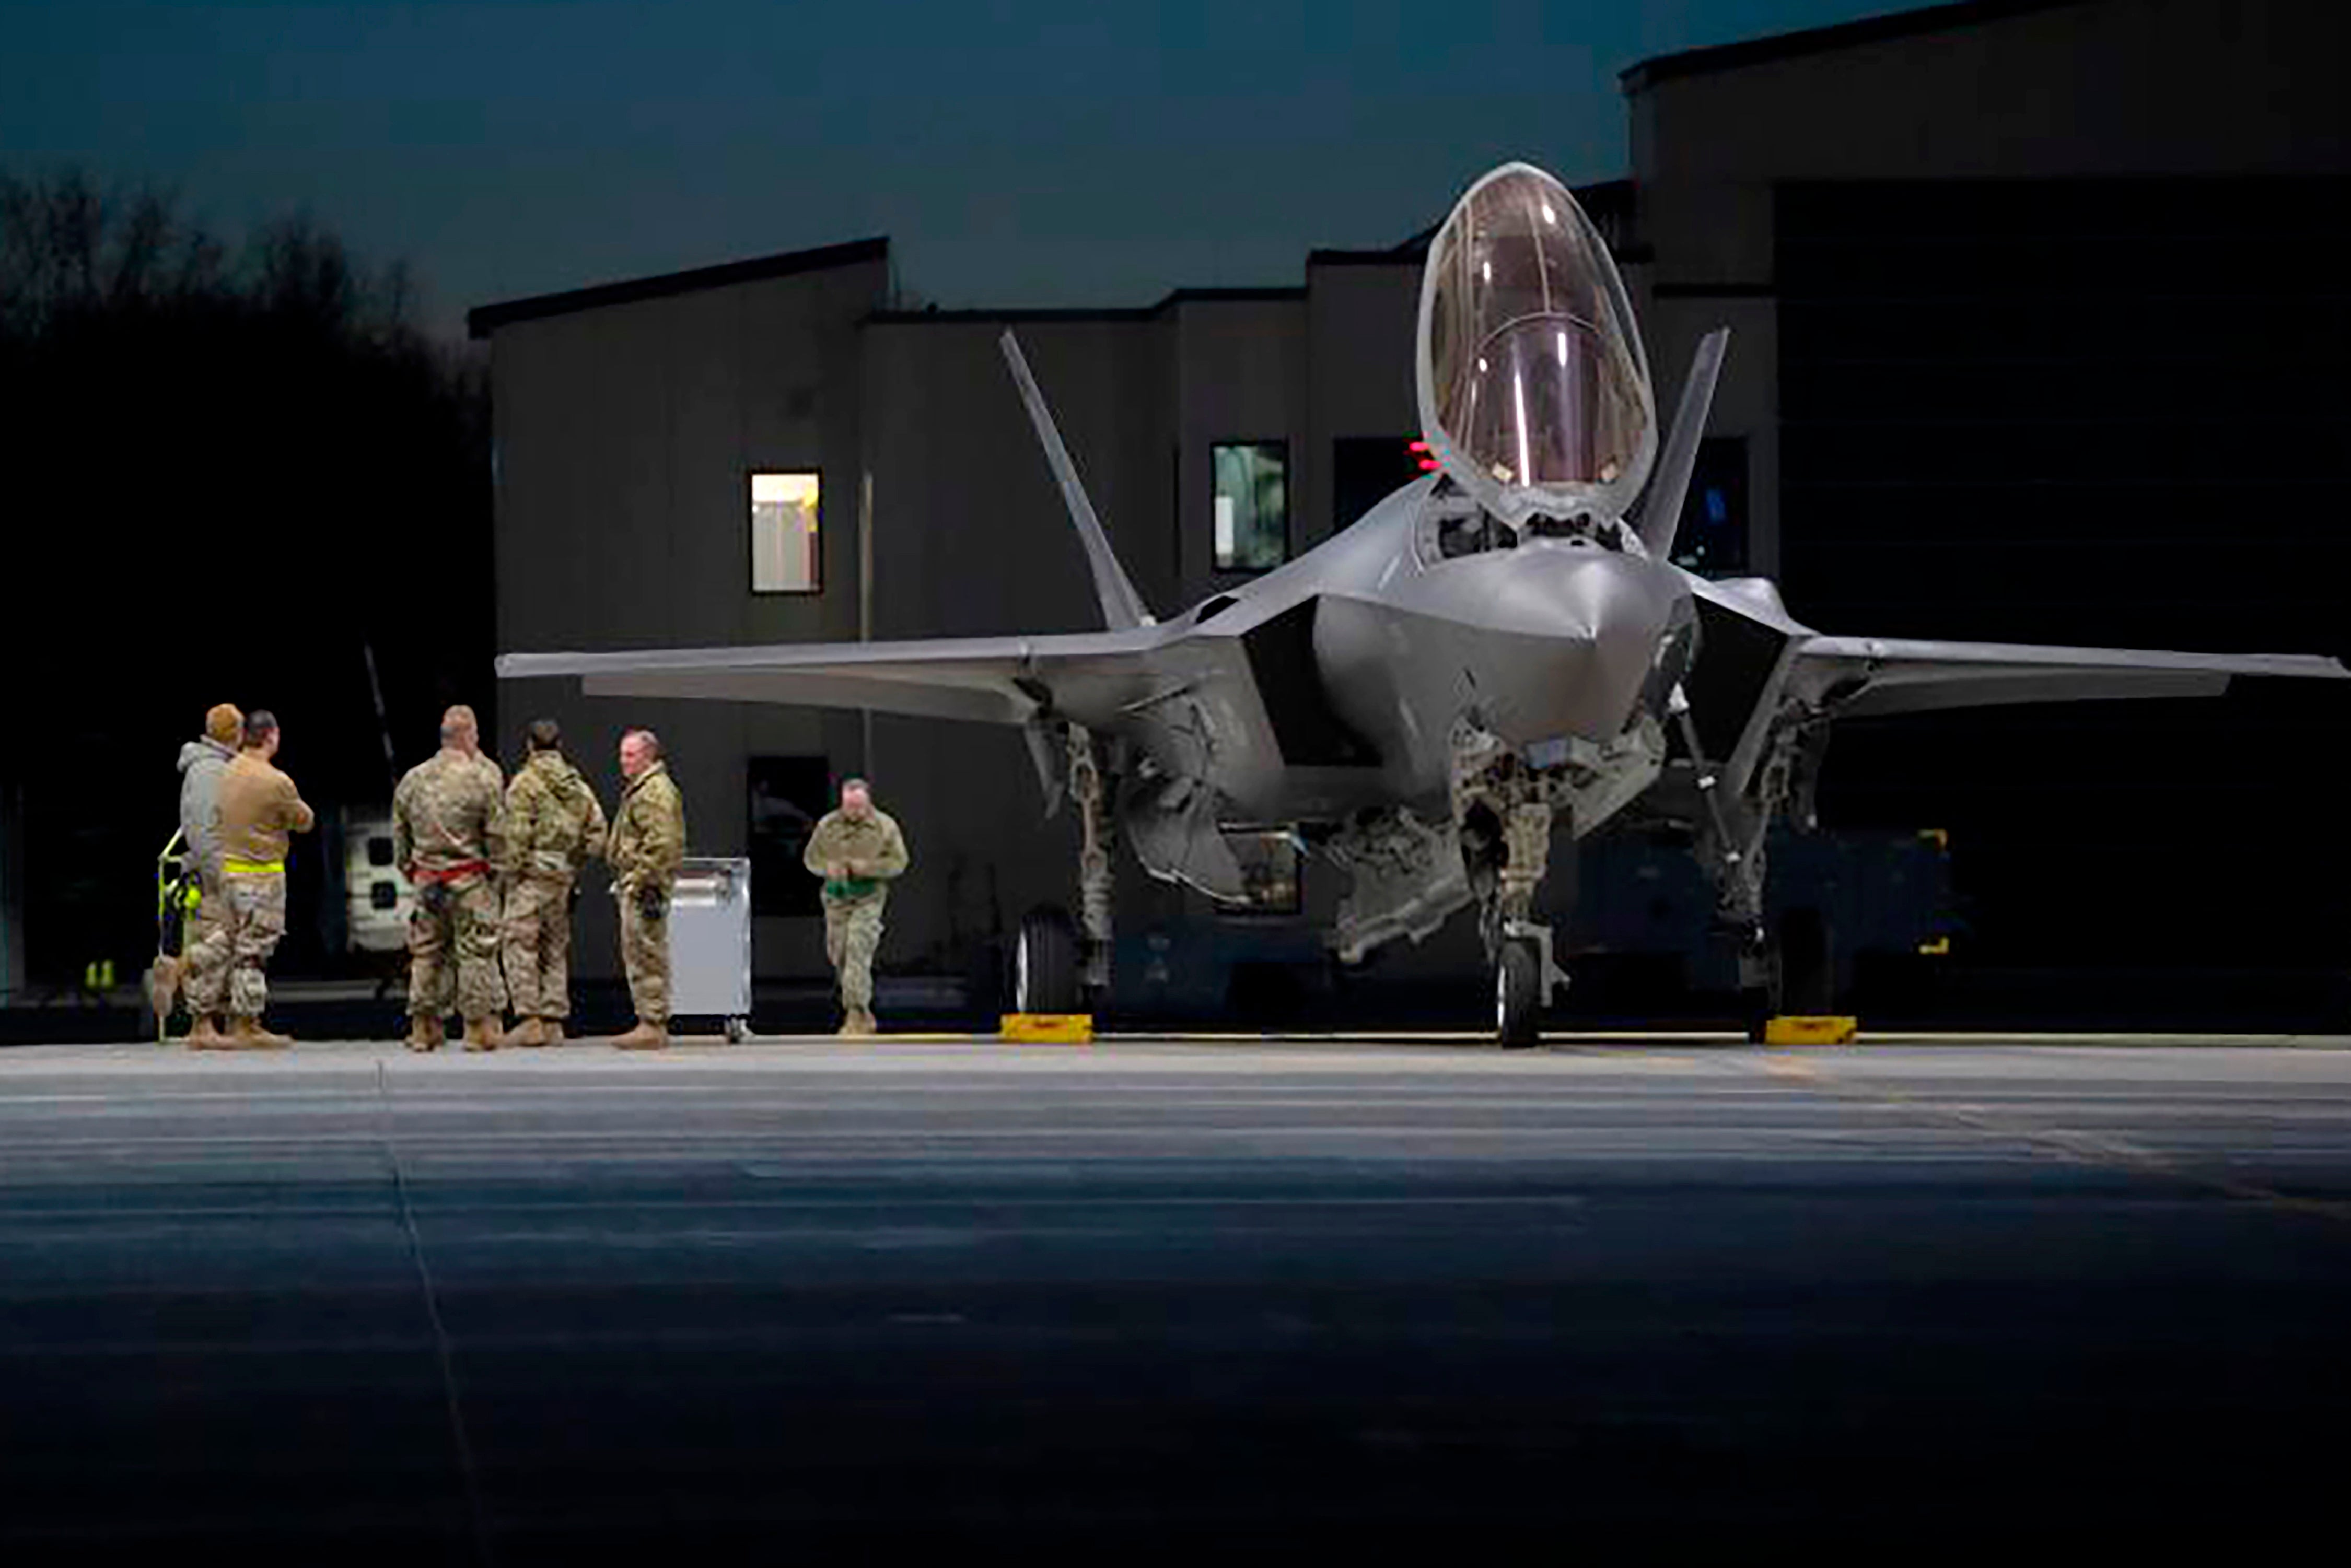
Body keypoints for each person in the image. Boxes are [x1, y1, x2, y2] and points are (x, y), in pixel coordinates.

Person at [185, 710, 313, 1048]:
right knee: (252, 952)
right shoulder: (275, 780)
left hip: (229, 872)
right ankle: (247, 1022)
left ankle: (197, 1004)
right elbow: (304, 821)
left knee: (223, 943)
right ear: (271, 736)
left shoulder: (226, 772)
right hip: (261, 877)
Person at [394, 712, 509, 1051]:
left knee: (426, 954)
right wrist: (497, 873)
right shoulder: (481, 778)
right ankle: (475, 1029)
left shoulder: (413, 779)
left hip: (427, 882)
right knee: (475, 954)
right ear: (469, 735)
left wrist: (410, 870)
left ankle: (422, 1028)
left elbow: (400, 833)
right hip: (470, 880)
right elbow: (498, 837)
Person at [497, 718, 607, 1046]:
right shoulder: (579, 787)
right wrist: (573, 864)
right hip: (562, 879)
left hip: (531, 879)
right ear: (559, 745)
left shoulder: (524, 785)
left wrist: (513, 874)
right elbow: (599, 836)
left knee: (520, 945)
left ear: (530, 746)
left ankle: (529, 1020)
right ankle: (554, 1023)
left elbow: (515, 841)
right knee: (555, 948)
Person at [802, 777, 909, 1037]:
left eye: (859, 808)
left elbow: (899, 862)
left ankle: (855, 1013)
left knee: (857, 947)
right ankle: (861, 1008)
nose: (855, 813)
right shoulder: (827, 826)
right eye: (850, 807)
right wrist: (827, 868)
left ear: (868, 803)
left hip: (868, 898)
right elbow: (811, 858)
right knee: (839, 952)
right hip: (836, 897)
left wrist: (868, 869)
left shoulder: (885, 827)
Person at [164, 701, 241, 1041]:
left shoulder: (219, 768)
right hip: (214, 876)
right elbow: (202, 830)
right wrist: (222, 874)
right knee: (213, 942)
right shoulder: (208, 772)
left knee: (229, 946)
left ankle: (221, 1021)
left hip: (221, 869)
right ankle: (202, 1023)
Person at [607, 728, 685, 1050]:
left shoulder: (653, 793)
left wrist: (639, 878)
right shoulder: (643, 790)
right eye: (622, 754)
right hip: (638, 884)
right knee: (639, 951)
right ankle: (648, 1020)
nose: (623, 761)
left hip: (645, 888)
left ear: (648, 756)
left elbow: (662, 844)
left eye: (630, 755)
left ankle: (653, 1023)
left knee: (646, 952)